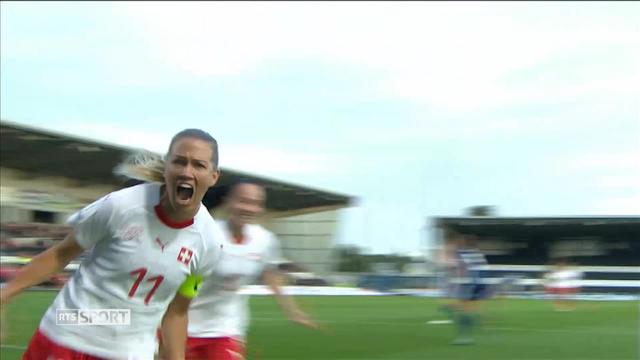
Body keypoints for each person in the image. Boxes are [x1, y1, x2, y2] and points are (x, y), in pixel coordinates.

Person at [0, 129, 224, 360]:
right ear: (166, 166)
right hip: (66, 338)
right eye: (179, 162)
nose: (187, 172)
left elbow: (177, 311)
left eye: (198, 165)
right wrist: (4, 296)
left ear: (213, 176)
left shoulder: (210, 244)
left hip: (130, 353)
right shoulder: (121, 206)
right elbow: (61, 254)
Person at [159, 180, 318, 360]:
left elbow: (270, 272)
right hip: (184, 326)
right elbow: (188, 280)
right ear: (228, 202)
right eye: (243, 201)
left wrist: (291, 310)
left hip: (226, 328)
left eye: (256, 203)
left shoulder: (264, 240)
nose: (249, 208)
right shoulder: (207, 236)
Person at [448, 229, 489, 345]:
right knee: (469, 309)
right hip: (477, 284)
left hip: (467, 284)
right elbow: (483, 270)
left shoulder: (463, 253)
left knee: (462, 310)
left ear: (466, 243)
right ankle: (471, 332)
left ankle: (464, 337)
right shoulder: (479, 254)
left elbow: (458, 267)